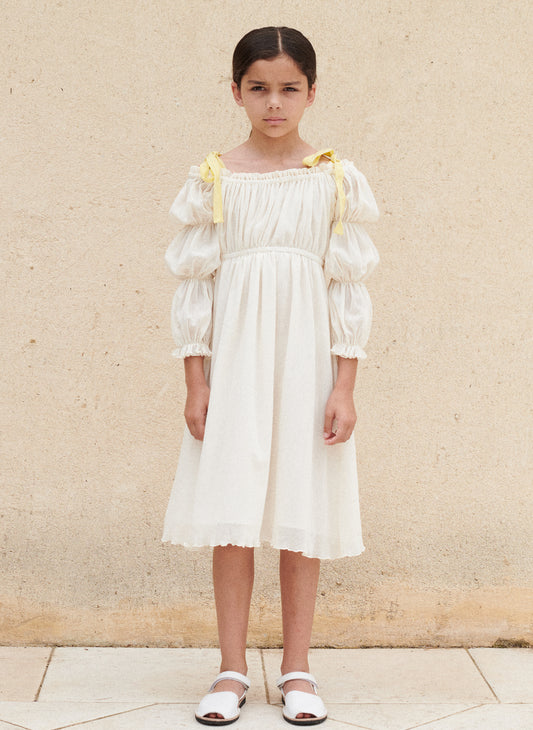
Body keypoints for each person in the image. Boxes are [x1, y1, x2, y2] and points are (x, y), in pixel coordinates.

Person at [162, 26, 380, 726]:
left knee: (298, 510)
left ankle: (297, 668)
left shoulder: (333, 179)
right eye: (259, 88)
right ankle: (230, 669)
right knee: (232, 513)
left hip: (306, 364)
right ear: (236, 92)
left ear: (312, 93)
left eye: (289, 88)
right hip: (235, 365)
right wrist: (196, 382)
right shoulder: (214, 179)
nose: (274, 102)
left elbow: (347, 286)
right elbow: (195, 286)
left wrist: (344, 385)